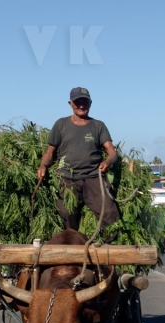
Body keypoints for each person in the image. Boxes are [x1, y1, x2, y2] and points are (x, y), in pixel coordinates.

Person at [37, 87, 120, 232]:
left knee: (109, 213)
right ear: (70, 104)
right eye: (77, 102)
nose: (81, 106)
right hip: (67, 178)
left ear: (90, 103)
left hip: (93, 177)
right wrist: (43, 166)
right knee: (66, 214)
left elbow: (112, 153)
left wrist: (107, 162)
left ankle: (108, 244)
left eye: (85, 102)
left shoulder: (98, 126)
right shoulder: (61, 124)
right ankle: (73, 242)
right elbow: (50, 152)